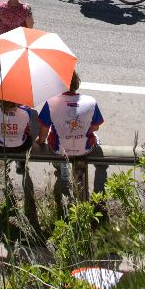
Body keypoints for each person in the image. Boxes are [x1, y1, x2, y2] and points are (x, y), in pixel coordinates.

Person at [40, 72, 103, 203]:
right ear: (76, 83)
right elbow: (96, 126)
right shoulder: (91, 101)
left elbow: (44, 130)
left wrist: (40, 142)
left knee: (59, 136)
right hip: (86, 149)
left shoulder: (50, 103)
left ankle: (63, 170)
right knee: (94, 136)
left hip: (58, 149)